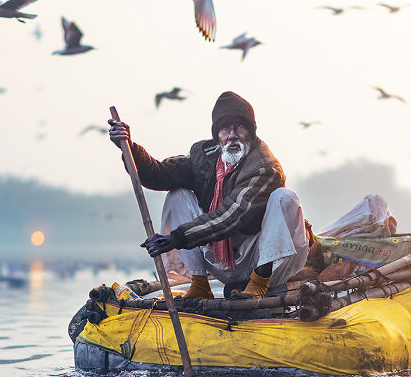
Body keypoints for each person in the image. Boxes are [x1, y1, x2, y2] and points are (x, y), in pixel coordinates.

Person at [108, 91, 310, 298]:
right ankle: (200, 285)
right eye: (224, 128)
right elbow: (161, 174)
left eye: (239, 127)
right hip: (224, 262)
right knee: (178, 195)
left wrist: (178, 238)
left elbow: (232, 215)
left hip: (263, 259)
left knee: (285, 197)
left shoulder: (265, 167)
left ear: (251, 131)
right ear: (217, 135)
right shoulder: (205, 156)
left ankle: (259, 285)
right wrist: (130, 149)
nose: (232, 134)